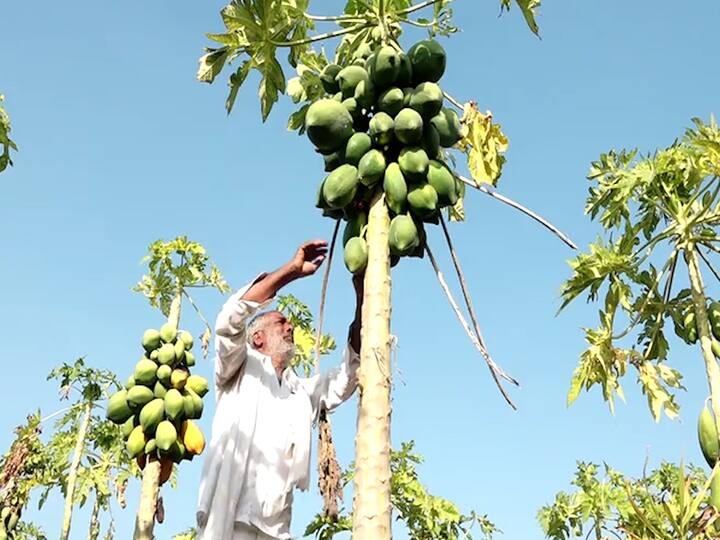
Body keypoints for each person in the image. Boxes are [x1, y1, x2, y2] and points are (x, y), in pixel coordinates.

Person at [196, 239, 363, 540]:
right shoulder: (237, 367)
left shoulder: (300, 391)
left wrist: (363, 297)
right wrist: (291, 272)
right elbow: (229, 320)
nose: (290, 328)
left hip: (277, 530)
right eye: (281, 322)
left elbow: (346, 378)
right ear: (257, 338)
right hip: (230, 521)